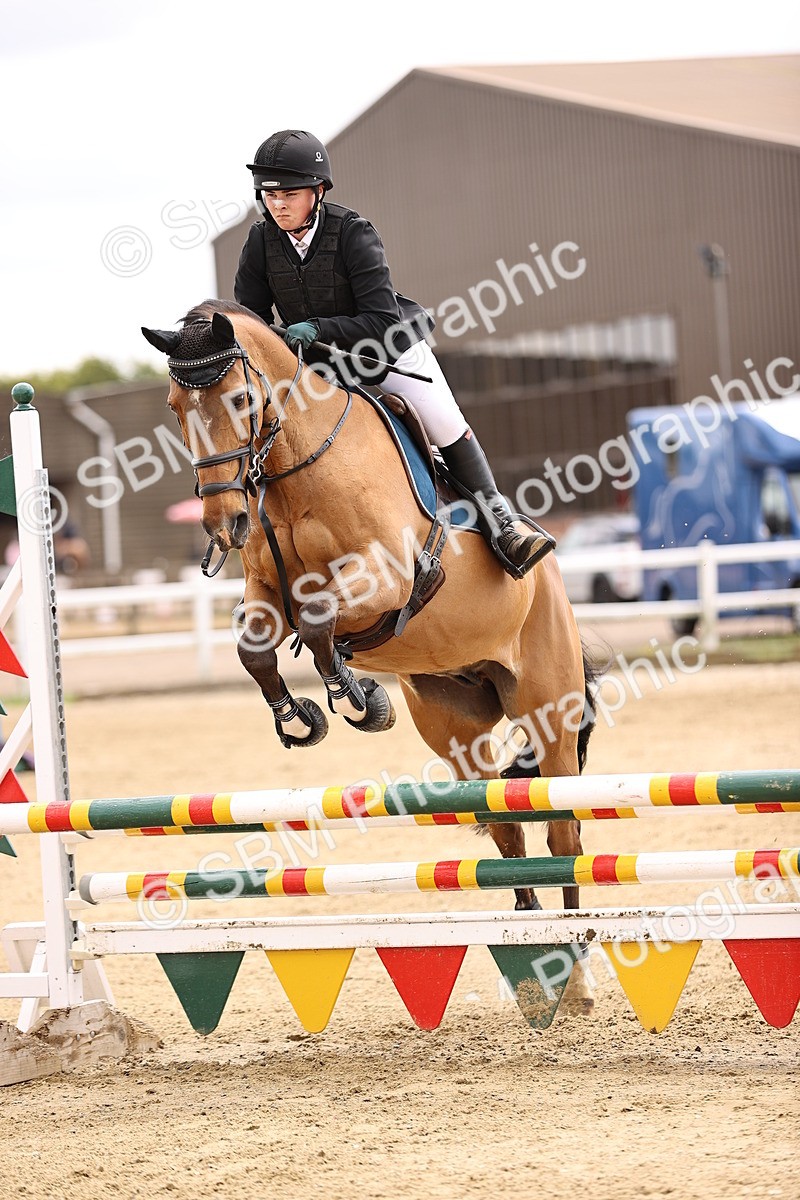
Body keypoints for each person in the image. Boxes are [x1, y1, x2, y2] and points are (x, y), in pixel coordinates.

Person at [234, 129, 552, 576]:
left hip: (385, 351)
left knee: (442, 420)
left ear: (318, 191)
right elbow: (250, 320)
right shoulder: (260, 242)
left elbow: (381, 317)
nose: (278, 204)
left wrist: (319, 327)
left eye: (289, 193)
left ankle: (501, 522)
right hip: (322, 366)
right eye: (269, 194)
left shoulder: (354, 234)